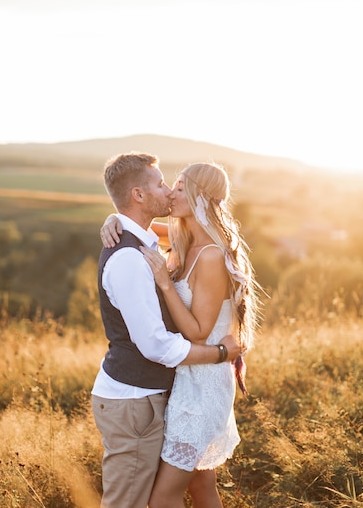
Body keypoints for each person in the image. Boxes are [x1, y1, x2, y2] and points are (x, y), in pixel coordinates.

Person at [101, 160, 261, 508]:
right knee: (202, 487)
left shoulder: (210, 256)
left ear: (199, 197)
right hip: (186, 380)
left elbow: (200, 334)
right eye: (169, 184)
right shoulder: (183, 239)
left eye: (178, 186)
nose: (171, 192)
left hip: (202, 389)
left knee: (162, 500)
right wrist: (114, 220)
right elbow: (139, 230)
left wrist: (165, 284)